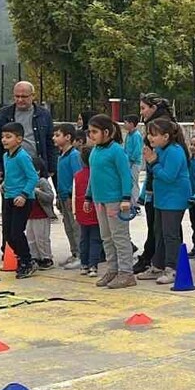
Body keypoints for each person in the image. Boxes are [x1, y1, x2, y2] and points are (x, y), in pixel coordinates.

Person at [139, 118, 193, 284]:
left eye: (154, 135)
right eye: (149, 134)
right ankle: (158, 265)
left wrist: (153, 162)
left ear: (166, 136)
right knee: (159, 233)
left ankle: (172, 268)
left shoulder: (175, 151)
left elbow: (168, 176)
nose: (150, 137)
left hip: (174, 198)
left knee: (170, 234)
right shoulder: (160, 149)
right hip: (161, 198)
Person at [85, 114, 136, 289]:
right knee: (106, 237)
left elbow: (125, 175)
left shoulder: (116, 151)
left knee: (119, 237)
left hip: (115, 201)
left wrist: (126, 198)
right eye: (89, 132)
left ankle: (126, 273)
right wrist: (88, 196)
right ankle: (112, 269)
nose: (91, 135)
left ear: (106, 132)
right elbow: (93, 176)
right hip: (100, 201)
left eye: (94, 132)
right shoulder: (95, 151)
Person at [0, 81, 56, 180]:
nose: (20, 100)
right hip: (11, 167)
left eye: (24, 96)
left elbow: (51, 142)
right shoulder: (2, 115)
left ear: (32, 96)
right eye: (17, 96)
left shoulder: (44, 115)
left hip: (36, 166)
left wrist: (52, 166)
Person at [0, 122, 38, 279]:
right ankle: (22, 258)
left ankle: (27, 261)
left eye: (8, 137)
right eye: (3, 137)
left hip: (22, 199)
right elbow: (12, 175)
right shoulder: (6, 156)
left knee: (16, 232)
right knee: (8, 234)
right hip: (9, 198)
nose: (4, 140)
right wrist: (5, 184)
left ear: (19, 139)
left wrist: (23, 194)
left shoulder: (22, 156)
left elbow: (33, 176)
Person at [53, 124, 82, 269]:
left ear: (68, 137)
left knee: (75, 226)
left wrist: (72, 196)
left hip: (71, 197)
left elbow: (77, 177)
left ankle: (81, 255)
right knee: (68, 226)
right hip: (63, 196)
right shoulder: (61, 156)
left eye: (57, 135)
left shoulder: (74, 155)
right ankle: (74, 252)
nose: (54, 138)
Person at [73, 145, 103, 277]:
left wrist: (75, 212)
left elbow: (74, 194)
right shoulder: (98, 174)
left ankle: (84, 264)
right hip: (96, 213)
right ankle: (93, 266)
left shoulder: (77, 175)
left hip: (81, 212)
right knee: (95, 240)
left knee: (83, 239)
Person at [26, 158, 56, 269]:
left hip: (41, 215)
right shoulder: (27, 181)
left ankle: (46, 257)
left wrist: (38, 192)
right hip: (29, 215)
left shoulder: (42, 182)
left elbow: (50, 197)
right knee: (31, 238)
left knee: (42, 238)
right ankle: (35, 257)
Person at [123, 115, 145, 208]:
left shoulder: (136, 135)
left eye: (125, 123)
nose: (124, 125)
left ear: (131, 124)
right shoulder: (129, 134)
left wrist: (131, 161)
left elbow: (137, 151)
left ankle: (136, 204)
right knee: (129, 182)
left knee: (134, 182)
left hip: (134, 163)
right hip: (128, 162)